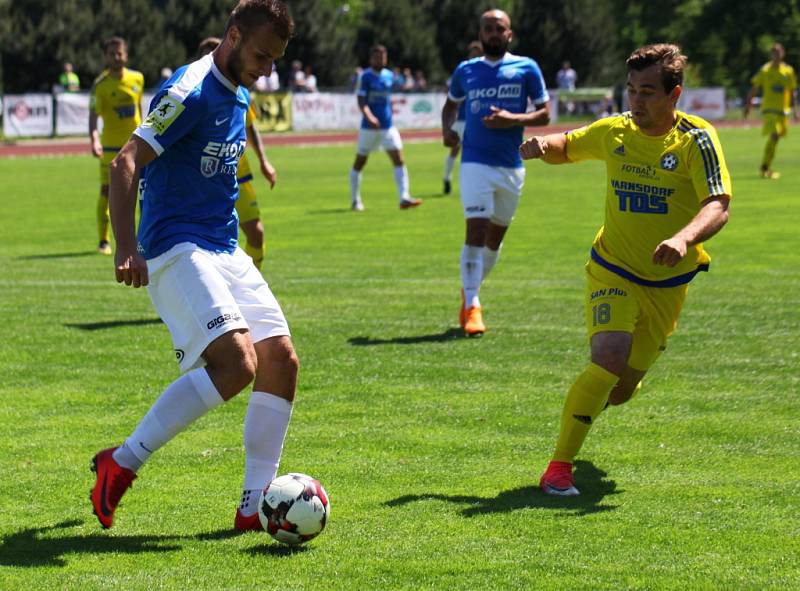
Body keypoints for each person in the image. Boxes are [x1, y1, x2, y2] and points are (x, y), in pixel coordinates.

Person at [89, 0, 297, 532]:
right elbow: (125, 161)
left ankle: (254, 507)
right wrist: (125, 246)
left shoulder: (240, 87)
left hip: (223, 248)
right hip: (175, 246)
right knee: (237, 364)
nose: (267, 69)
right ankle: (123, 461)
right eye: (261, 55)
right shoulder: (189, 90)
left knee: (282, 360)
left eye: (274, 60)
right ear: (232, 36)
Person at [520, 43, 732, 496]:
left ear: (674, 95)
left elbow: (718, 205)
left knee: (620, 390)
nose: (636, 101)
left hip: (668, 284)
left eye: (648, 92)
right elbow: (569, 145)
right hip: (612, 268)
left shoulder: (696, 140)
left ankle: (596, 406)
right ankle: (558, 468)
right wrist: (543, 146)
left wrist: (683, 238)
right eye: (632, 90)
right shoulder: (616, 131)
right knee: (608, 359)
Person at [442, 9, 550, 336]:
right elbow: (450, 104)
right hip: (474, 161)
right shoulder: (466, 70)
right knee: (475, 230)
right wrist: (446, 130)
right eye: (487, 29)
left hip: (512, 165)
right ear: (480, 33)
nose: (492, 34)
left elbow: (545, 114)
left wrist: (512, 119)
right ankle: (473, 303)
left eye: (498, 28)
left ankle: (469, 288)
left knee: (494, 239)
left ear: (509, 34)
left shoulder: (526, 68)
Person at [198, 36, 277, 270]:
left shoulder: (241, 90)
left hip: (239, 174)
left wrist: (264, 161)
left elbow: (251, 128)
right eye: (206, 52)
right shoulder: (196, 93)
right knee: (211, 244)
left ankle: (248, 288)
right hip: (207, 178)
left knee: (257, 235)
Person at [89, 37, 145, 255]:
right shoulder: (100, 85)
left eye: (119, 53)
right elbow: (93, 117)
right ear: (106, 56)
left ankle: (142, 238)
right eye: (112, 53)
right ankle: (104, 240)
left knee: (142, 192)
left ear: (126, 55)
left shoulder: (137, 78)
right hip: (111, 148)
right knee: (107, 191)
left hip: (136, 146)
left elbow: (140, 108)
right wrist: (94, 139)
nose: (116, 57)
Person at [350, 44, 421, 211]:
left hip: (388, 126)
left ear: (386, 58)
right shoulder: (365, 77)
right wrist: (370, 117)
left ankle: (404, 197)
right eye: (376, 57)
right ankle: (355, 200)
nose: (380, 59)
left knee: (399, 158)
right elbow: (361, 101)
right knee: (360, 162)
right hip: (368, 127)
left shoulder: (389, 76)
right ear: (371, 59)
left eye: (382, 57)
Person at [744, 42, 798, 179]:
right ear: (771, 55)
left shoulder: (788, 71)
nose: (776, 55)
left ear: (783, 54)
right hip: (769, 110)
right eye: (774, 53)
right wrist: (748, 105)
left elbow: (792, 92)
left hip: (782, 111)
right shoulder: (765, 70)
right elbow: (754, 88)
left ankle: (766, 166)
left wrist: (796, 110)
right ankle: (764, 167)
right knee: (774, 135)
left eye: (778, 52)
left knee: (776, 139)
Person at [443, 40, 483, 195]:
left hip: (478, 121)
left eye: (477, 54)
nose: (474, 57)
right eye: (472, 54)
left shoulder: (485, 72)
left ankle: (475, 184)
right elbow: (451, 93)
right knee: (455, 150)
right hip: (462, 120)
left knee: (478, 151)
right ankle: (446, 179)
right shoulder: (464, 71)